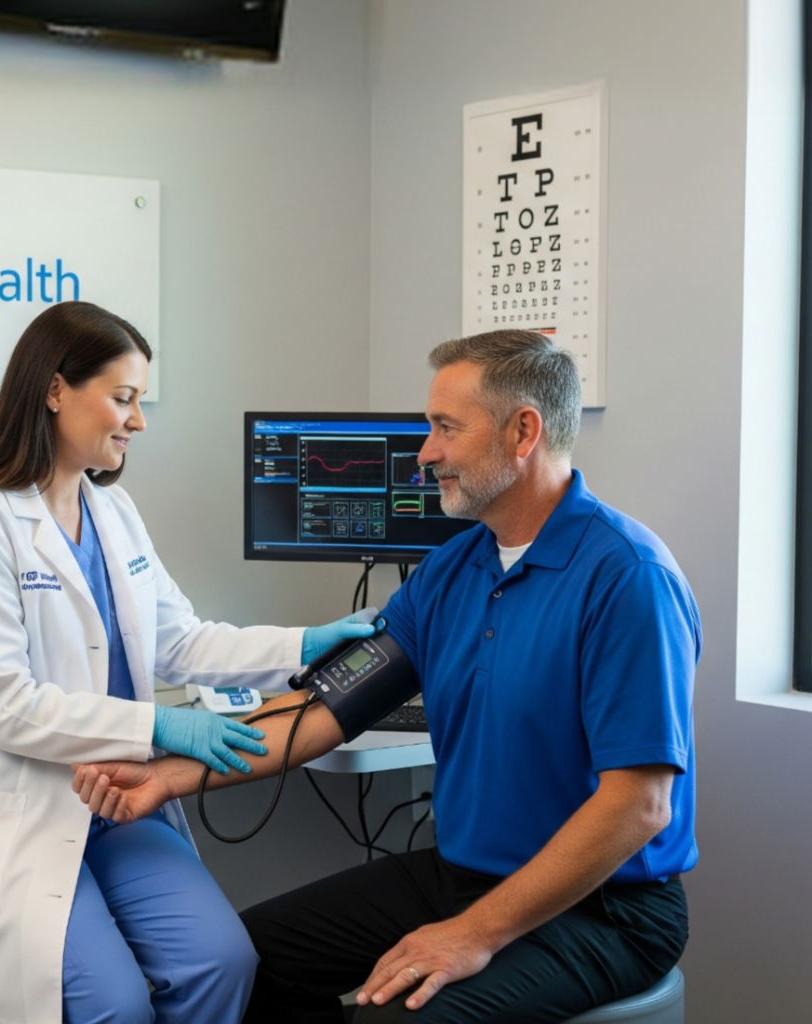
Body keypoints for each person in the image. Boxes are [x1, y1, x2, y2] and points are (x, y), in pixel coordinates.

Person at [72, 329, 701, 1024]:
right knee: (244, 965)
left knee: (400, 1015)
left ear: (524, 432)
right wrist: (168, 773)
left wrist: (475, 934)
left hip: (602, 909)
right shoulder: (454, 571)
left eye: (444, 428)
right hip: (460, 874)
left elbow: (638, 806)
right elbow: (324, 711)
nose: (426, 452)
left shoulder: (626, 578)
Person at [0, 300, 375, 1024]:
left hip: (114, 804)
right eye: (123, 398)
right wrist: (162, 728)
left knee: (221, 962)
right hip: (11, 813)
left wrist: (301, 647)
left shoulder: (113, 513)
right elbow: (4, 704)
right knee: (109, 1005)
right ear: (54, 391)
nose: (137, 421)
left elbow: (180, 640)